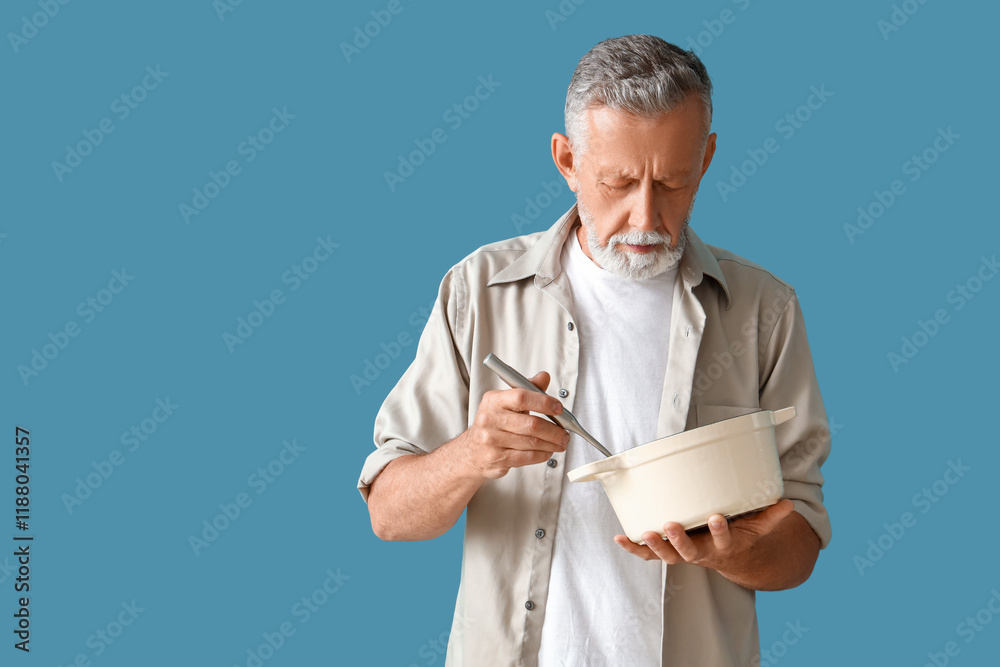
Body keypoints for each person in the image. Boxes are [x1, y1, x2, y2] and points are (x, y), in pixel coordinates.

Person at [358, 34, 832, 667]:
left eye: (672, 182)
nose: (645, 216)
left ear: (708, 158)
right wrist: (473, 453)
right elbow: (389, 513)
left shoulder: (764, 311)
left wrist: (728, 550)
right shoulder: (478, 290)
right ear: (566, 161)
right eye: (618, 182)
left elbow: (799, 544)